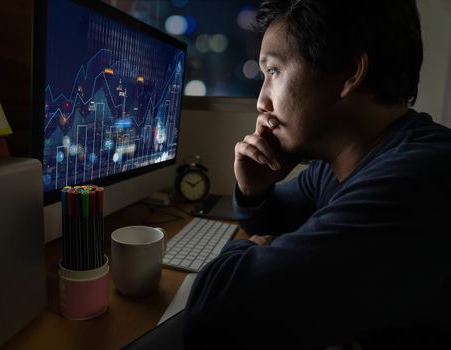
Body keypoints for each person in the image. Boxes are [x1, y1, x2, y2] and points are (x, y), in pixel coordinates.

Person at [182, 0, 451, 349]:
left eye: (274, 71)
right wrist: (255, 191)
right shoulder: (340, 163)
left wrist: (246, 250)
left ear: (349, 73)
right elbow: (276, 218)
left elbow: (215, 313)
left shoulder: (418, 180)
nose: (261, 102)